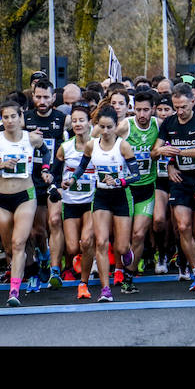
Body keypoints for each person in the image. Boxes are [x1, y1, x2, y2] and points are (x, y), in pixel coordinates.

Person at [64, 106, 142, 302]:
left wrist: (119, 181)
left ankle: (126, 253)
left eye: (109, 127)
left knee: (122, 247)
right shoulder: (92, 145)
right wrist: (72, 179)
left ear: (116, 127)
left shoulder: (123, 146)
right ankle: (105, 289)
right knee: (101, 242)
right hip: (101, 197)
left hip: (121, 197)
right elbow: (82, 167)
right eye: (102, 127)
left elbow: (136, 175)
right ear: (97, 126)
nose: (106, 131)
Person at [0, 100, 52, 306]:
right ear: (1, 119)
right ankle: (34, 268)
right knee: (10, 248)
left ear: (21, 118)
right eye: (5, 117)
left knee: (19, 243)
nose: (10, 121)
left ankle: (14, 290)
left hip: (26, 196)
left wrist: (45, 169)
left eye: (13, 116)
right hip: (2, 199)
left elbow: (46, 152)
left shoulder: (32, 138)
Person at [153, 82, 195, 292]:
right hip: (179, 182)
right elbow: (155, 151)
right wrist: (166, 161)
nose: (179, 111)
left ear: (193, 103)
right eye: (176, 107)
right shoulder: (168, 123)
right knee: (183, 226)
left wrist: (176, 152)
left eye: (183, 107)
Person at [24, 78, 70, 290]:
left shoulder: (63, 120)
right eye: (38, 96)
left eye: (46, 97)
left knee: (54, 221)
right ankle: (43, 255)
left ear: (53, 98)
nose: (42, 101)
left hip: (55, 178)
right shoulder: (25, 119)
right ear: (33, 97)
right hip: (32, 179)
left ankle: (55, 269)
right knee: (36, 232)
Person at [54, 103, 97, 299]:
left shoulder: (97, 145)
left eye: (82, 120)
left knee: (86, 241)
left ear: (90, 123)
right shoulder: (65, 148)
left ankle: (84, 282)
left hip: (92, 201)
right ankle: (86, 258)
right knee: (72, 247)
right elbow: (54, 174)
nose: (78, 124)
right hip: (71, 202)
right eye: (74, 121)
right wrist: (56, 185)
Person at [115, 90, 160, 279]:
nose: (142, 115)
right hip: (126, 190)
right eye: (138, 110)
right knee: (123, 239)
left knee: (139, 234)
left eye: (146, 110)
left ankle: (129, 274)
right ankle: (119, 267)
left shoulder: (159, 125)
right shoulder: (126, 125)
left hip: (147, 188)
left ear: (153, 110)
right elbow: (103, 139)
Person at [151, 95, 176, 274]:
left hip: (178, 180)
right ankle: (160, 253)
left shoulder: (178, 125)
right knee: (159, 219)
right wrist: (159, 150)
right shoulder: (152, 128)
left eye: (167, 109)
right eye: (160, 109)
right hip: (158, 180)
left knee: (175, 223)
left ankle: (174, 253)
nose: (163, 113)